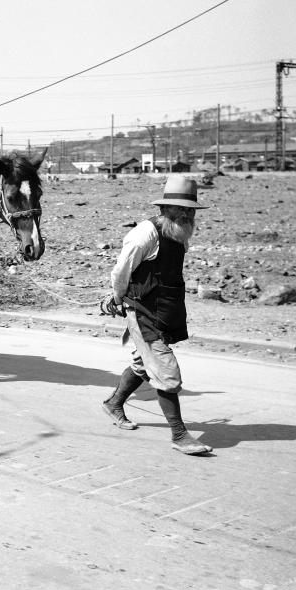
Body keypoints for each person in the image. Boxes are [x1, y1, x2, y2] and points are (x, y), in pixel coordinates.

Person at [100, 175, 213, 456]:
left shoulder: (180, 233)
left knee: (143, 363)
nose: (186, 214)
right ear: (165, 208)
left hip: (166, 310)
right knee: (167, 372)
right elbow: (121, 270)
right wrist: (116, 298)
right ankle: (180, 435)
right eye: (180, 209)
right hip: (142, 312)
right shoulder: (145, 234)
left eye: (190, 210)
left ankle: (114, 403)